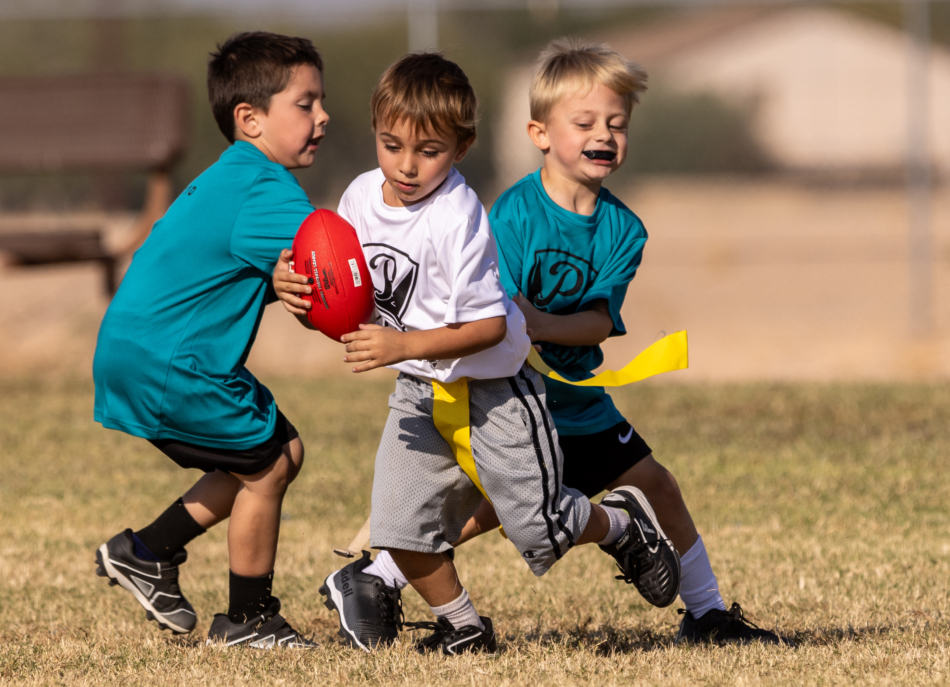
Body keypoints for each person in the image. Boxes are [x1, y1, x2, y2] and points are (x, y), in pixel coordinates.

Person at [327, 38, 781, 647]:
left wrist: (536, 322)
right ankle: (383, 575)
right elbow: (490, 321)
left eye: (616, 124)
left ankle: (708, 613)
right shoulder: (508, 215)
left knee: (651, 487)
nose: (604, 135)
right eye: (586, 121)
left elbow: (596, 321)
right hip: (506, 397)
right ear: (540, 132)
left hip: (574, 400)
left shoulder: (624, 228)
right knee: (496, 509)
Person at [273, 52, 680, 656]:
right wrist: (300, 298)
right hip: (419, 388)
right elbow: (350, 303)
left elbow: (490, 326)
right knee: (397, 527)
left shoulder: (458, 216)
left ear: (461, 149)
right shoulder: (358, 199)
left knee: (537, 526)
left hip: (496, 391)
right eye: (392, 145)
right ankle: (463, 625)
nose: (407, 166)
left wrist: (403, 344)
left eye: (428, 151)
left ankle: (619, 524)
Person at [91, 31, 328, 650]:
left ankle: (147, 550)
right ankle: (248, 621)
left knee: (276, 453)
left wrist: (280, 280)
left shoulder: (230, 175)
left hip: (141, 351)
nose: (323, 117)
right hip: (174, 363)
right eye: (305, 104)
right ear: (249, 119)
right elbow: (339, 273)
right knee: (269, 462)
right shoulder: (267, 190)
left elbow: (240, 267)